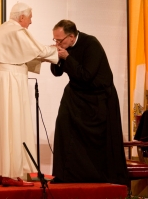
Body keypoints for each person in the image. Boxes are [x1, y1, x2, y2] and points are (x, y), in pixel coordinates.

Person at [0, 2, 58, 187]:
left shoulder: (2, 29)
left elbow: (22, 54)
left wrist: (46, 53)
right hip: (11, 79)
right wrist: (56, 52)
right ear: (22, 17)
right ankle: (11, 173)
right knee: (12, 122)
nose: (31, 22)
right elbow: (37, 49)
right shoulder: (17, 31)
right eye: (30, 18)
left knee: (0, 123)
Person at [50, 19, 129, 186]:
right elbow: (57, 73)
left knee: (98, 143)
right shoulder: (66, 47)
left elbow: (86, 75)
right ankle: (65, 174)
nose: (57, 43)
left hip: (98, 97)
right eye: (55, 40)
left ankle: (98, 175)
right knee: (63, 123)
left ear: (72, 37)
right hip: (76, 93)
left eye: (60, 40)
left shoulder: (91, 44)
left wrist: (67, 57)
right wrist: (54, 57)